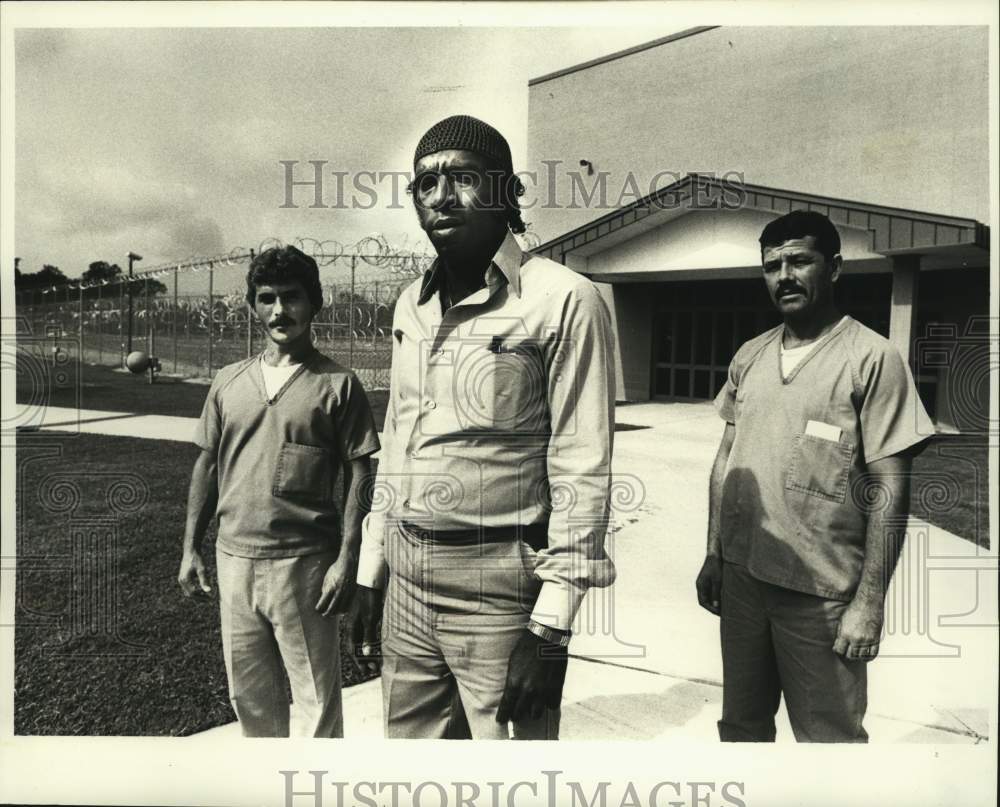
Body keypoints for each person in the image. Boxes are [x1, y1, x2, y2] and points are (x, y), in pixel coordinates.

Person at [352, 114, 617, 739]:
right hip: (407, 576)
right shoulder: (410, 304)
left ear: (506, 192)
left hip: (500, 582)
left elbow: (583, 462)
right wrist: (372, 570)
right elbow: (399, 442)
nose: (442, 196)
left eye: (464, 178)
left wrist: (550, 628)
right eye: (425, 184)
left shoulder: (564, 299)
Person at [696, 210, 933, 742]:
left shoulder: (872, 358)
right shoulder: (749, 355)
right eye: (772, 265)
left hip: (821, 598)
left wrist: (869, 604)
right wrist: (714, 554)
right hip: (743, 583)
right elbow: (726, 461)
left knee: (829, 744)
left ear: (835, 268)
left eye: (800, 261)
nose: (784, 276)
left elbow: (891, 488)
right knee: (740, 731)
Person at [178, 245, 380, 737]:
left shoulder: (338, 384)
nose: (279, 311)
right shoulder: (228, 381)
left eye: (291, 298)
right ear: (252, 305)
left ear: (314, 304)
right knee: (250, 699)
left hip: (305, 564)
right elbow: (206, 464)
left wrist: (347, 558)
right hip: (235, 559)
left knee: (316, 704)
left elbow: (361, 472)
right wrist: (189, 548)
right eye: (266, 299)